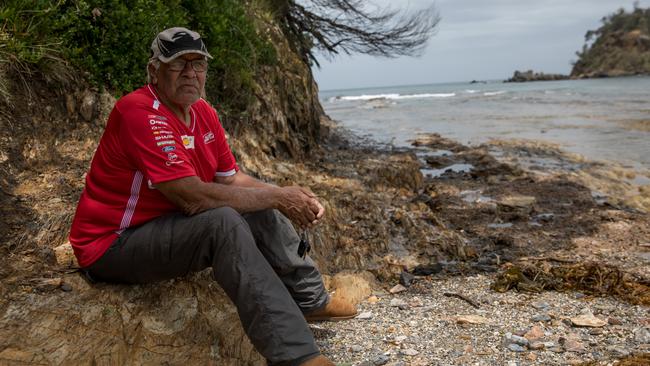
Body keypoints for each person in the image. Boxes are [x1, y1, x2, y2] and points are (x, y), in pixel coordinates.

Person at [69, 27, 356, 366]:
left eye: (199, 64)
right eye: (179, 64)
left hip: (163, 225)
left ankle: (311, 300)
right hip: (112, 245)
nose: (191, 73)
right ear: (154, 71)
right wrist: (278, 198)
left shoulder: (203, 112)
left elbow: (231, 179)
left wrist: (283, 193)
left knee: (258, 198)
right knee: (224, 220)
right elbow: (192, 197)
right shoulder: (139, 112)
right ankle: (297, 356)